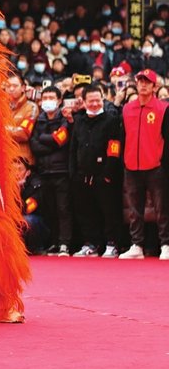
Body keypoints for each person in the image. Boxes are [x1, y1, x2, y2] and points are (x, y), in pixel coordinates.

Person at [119, 69, 169, 260]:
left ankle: (165, 244)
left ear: (154, 86)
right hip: (131, 165)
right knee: (135, 210)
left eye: (147, 82)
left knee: (161, 208)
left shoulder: (163, 108)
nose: (143, 84)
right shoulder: (127, 108)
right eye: (140, 81)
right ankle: (136, 244)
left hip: (156, 166)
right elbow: (123, 137)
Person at [69, 84, 124, 258]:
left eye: (97, 100)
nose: (94, 104)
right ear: (84, 102)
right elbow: (73, 148)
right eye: (90, 101)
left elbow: (114, 147)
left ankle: (111, 243)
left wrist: (108, 173)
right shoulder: (79, 120)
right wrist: (73, 173)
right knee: (86, 211)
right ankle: (90, 243)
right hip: (81, 175)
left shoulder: (111, 119)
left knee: (109, 210)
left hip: (104, 174)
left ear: (103, 99)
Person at [29, 87, 72, 256]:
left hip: (61, 171)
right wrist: (50, 142)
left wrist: (44, 140)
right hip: (43, 171)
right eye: (45, 97)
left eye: (51, 97)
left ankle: (64, 243)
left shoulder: (65, 119)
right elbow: (34, 146)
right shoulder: (38, 120)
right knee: (50, 209)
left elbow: (60, 140)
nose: (48, 100)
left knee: (63, 209)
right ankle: (53, 242)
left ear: (59, 100)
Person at [6, 72, 38, 165]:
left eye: (15, 86)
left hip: (22, 161)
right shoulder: (1, 107)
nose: (11, 89)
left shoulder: (31, 107)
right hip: (4, 160)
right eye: (8, 86)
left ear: (23, 88)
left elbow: (24, 133)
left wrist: (1, 129)